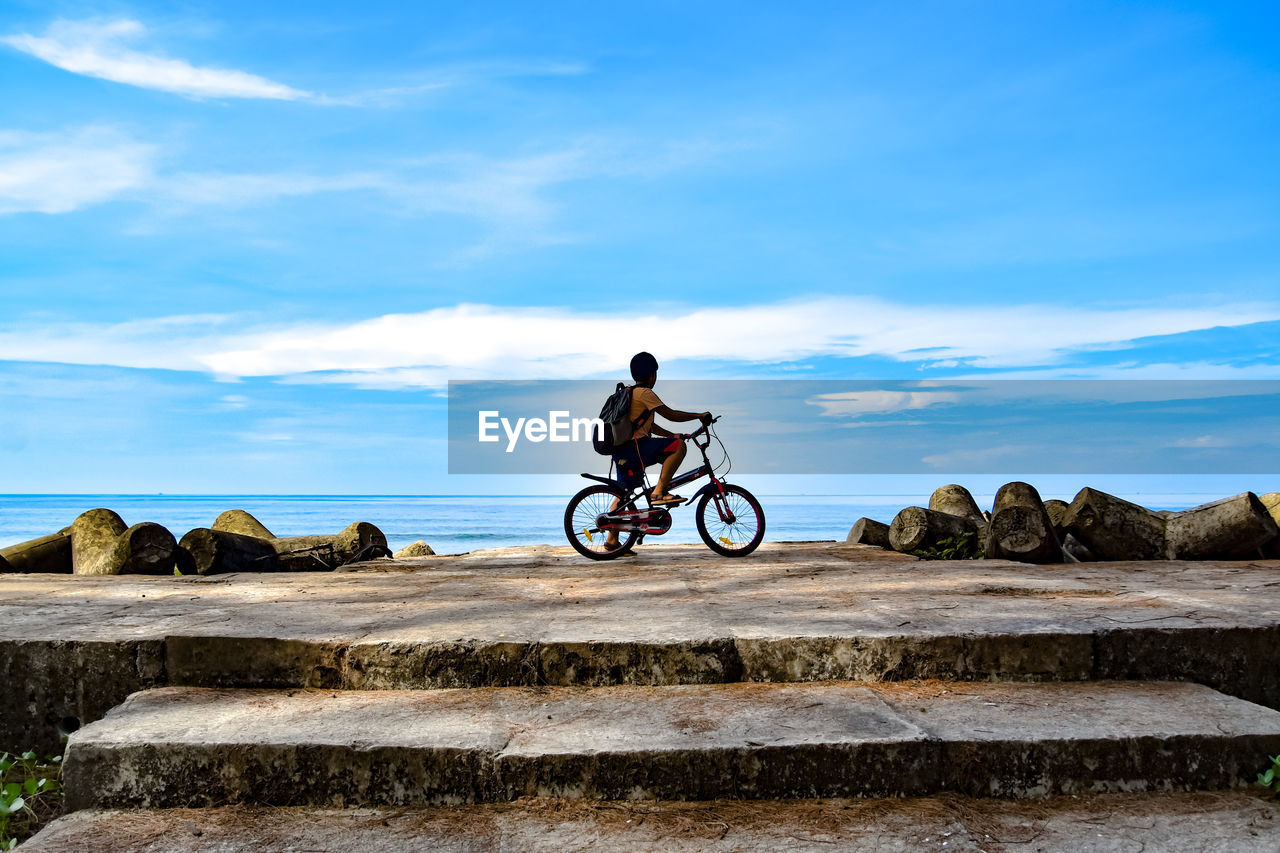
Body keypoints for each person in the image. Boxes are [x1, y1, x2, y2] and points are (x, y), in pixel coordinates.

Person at [605, 352, 712, 549]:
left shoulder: (631, 394)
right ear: (652, 374)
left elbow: (648, 426)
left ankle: (612, 541)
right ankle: (660, 492)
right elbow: (670, 414)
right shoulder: (645, 393)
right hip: (636, 449)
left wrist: (672, 435)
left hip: (623, 451)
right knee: (679, 447)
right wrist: (698, 415)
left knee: (624, 494)